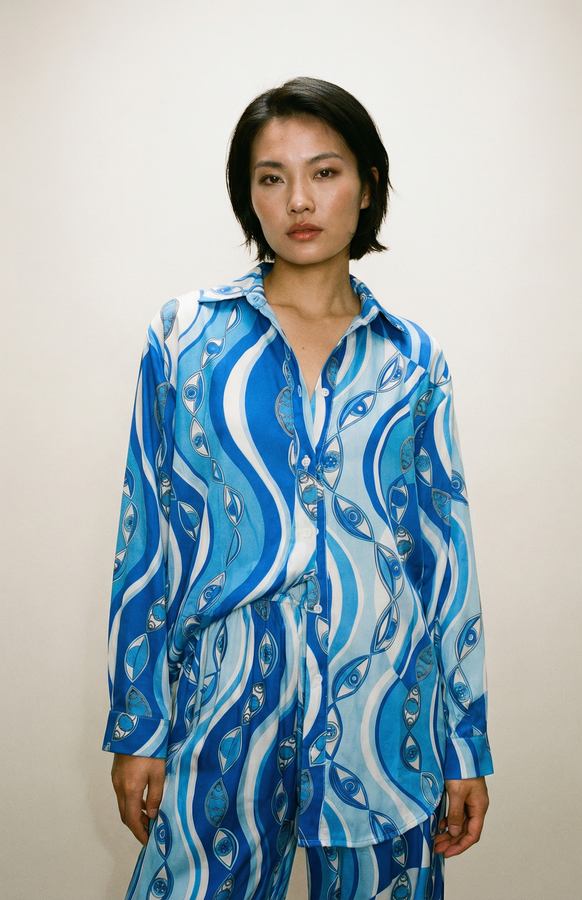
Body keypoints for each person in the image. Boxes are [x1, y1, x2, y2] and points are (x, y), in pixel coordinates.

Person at [104, 77, 493, 900]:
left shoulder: (413, 360)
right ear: (247, 196)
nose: (299, 201)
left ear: (368, 186)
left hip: (384, 727)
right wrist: (138, 725)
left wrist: (465, 745)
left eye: (325, 172)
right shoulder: (185, 337)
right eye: (271, 178)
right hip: (222, 716)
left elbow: (444, 560)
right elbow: (148, 539)